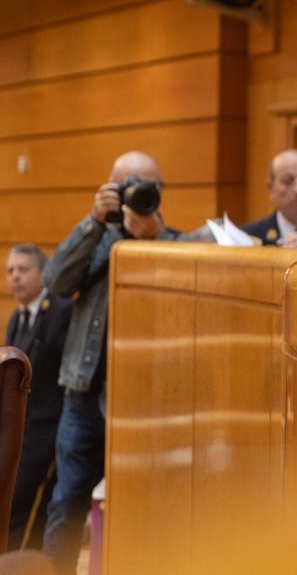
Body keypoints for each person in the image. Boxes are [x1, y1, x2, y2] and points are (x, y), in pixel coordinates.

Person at [42, 151, 181, 573]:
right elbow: (55, 282)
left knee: (146, 508)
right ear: (110, 188)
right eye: (127, 184)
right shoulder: (95, 239)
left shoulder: (176, 243)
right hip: (84, 396)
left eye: (147, 184)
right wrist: (93, 223)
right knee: (67, 503)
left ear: (161, 192)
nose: (138, 191)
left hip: (148, 404)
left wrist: (152, 238)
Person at [4, 245, 71, 551]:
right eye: (10, 271)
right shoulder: (16, 319)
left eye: (23, 269)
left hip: (50, 429)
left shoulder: (61, 310)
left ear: (43, 273)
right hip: (22, 428)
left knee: (25, 503)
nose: (15, 277)